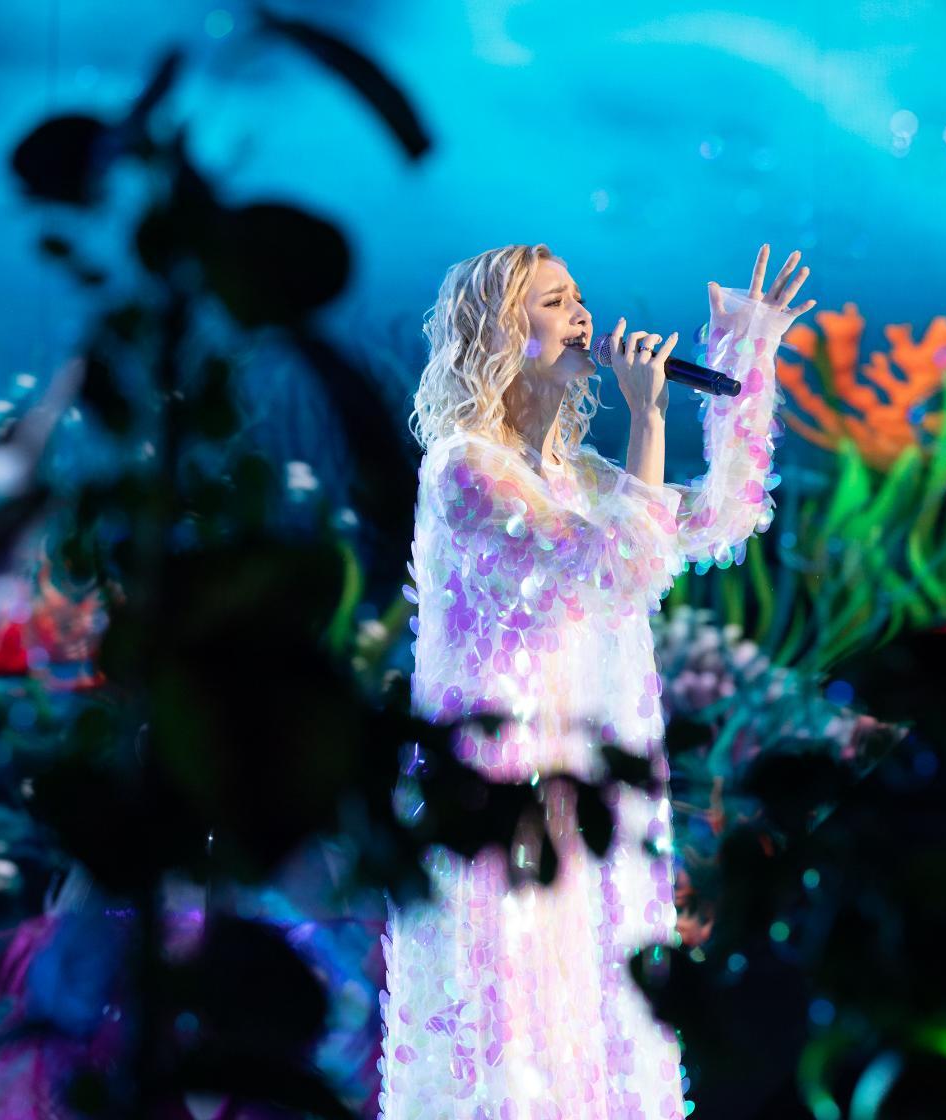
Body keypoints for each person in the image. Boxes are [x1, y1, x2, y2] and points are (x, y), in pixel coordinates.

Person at [382, 242, 814, 1117]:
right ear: (498, 333)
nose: (580, 313)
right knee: (521, 1033)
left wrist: (746, 349)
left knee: (599, 1025)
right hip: (505, 803)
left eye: (578, 294)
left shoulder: (580, 476)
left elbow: (722, 518)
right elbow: (620, 566)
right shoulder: (465, 467)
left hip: (598, 797)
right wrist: (647, 420)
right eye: (552, 301)